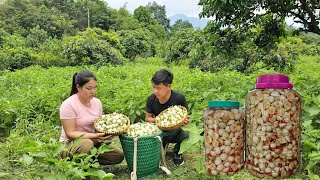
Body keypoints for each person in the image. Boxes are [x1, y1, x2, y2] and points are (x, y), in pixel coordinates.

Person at [59, 70, 124, 165]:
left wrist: (105, 135)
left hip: (92, 141)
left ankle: (89, 161)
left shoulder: (97, 102)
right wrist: (95, 137)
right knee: (87, 144)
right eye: (89, 88)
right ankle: (77, 166)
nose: (93, 91)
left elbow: (98, 126)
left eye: (95, 87)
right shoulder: (69, 105)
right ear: (78, 87)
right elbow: (70, 133)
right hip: (69, 144)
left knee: (118, 155)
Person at [145, 69, 190, 165]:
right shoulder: (151, 99)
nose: (155, 91)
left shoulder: (179, 98)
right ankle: (162, 144)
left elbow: (185, 116)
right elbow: (147, 118)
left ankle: (177, 151)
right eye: (154, 87)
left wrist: (185, 121)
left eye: (158, 88)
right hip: (159, 131)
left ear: (169, 86)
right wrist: (156, 120)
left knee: (186, 134)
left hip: (175, 131)